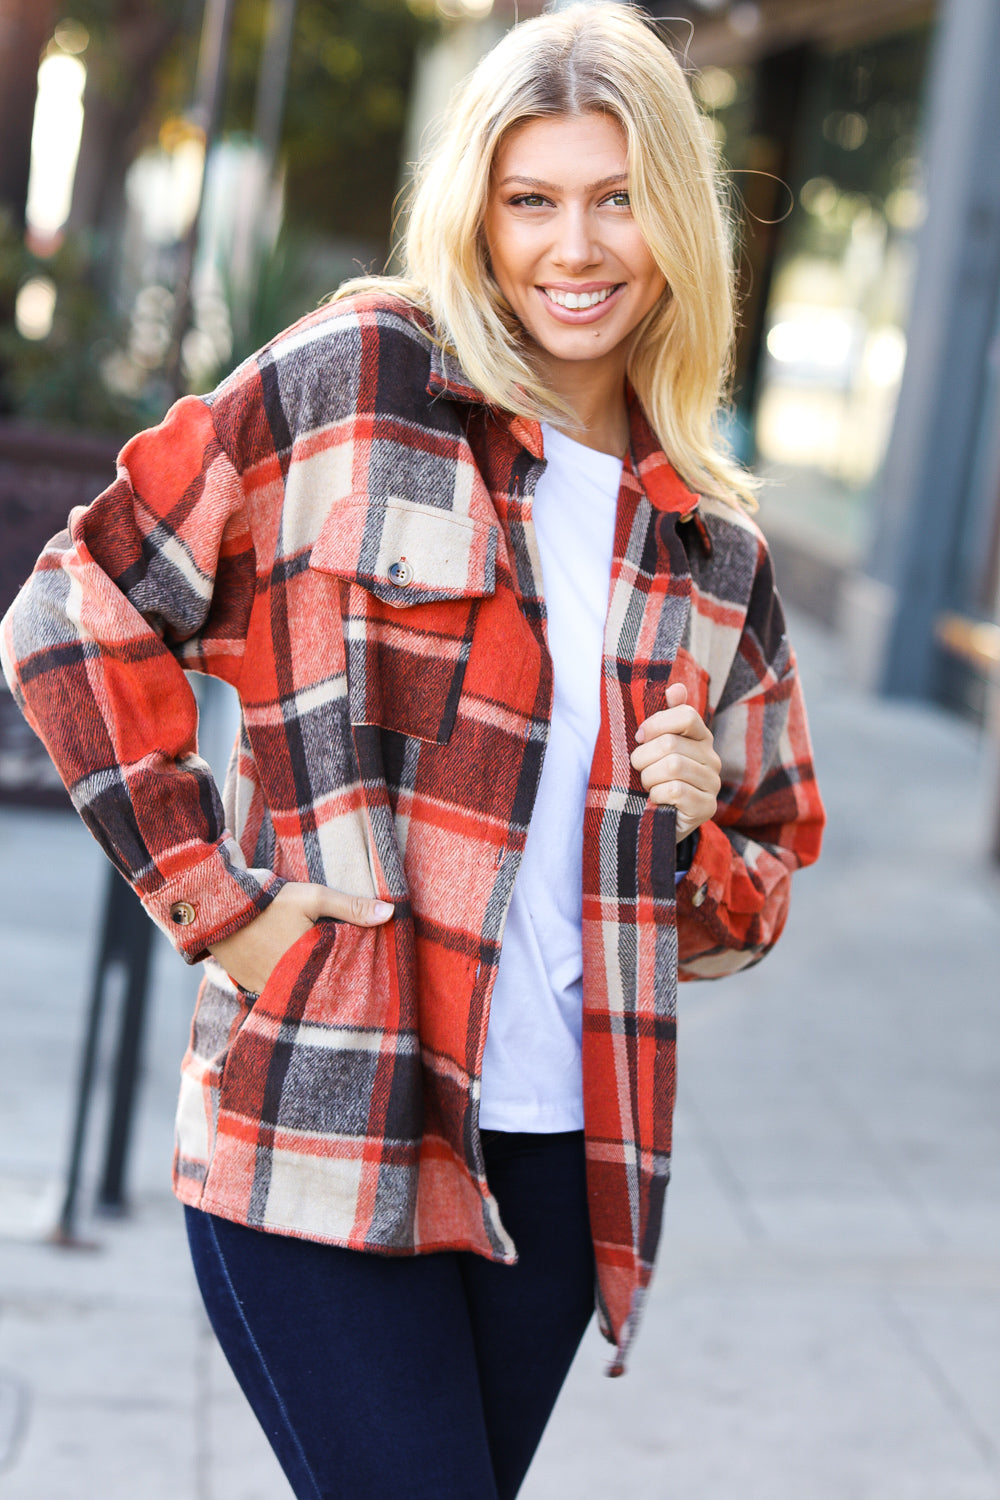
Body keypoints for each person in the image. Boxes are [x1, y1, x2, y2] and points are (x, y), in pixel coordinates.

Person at [1, 5, 825, 1496]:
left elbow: (763, 869)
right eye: (533, 200)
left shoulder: (713, 546)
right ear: (481, 212)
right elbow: (74, 608)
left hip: (563, 1166)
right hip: (328, 1111)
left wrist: (698, 829)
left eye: (618, 197)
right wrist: (219, 908)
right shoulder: (362, 376)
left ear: (678, 225)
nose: (575, 248)